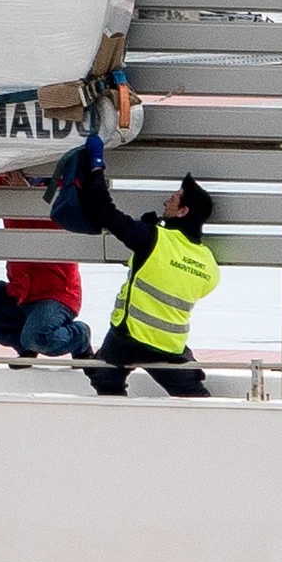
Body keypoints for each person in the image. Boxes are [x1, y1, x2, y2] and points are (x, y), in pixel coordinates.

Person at [80, 169, 220, 397]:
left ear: (183, 211)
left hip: (128, 338)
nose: (166, 201)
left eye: (173, 199)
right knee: (195, 398)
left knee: (103, 376)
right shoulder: (209, 264)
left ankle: (120, 423)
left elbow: (105, 212)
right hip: (169, 346)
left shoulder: (153, 238)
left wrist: (95, 171)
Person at [0, 173, 88, 359]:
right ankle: (22, 342)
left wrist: (28, 194)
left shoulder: (67, 186)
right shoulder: (7, 184)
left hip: (56, 293)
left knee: (39, 339)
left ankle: (79, 334)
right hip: (19, 291)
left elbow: (68, 212)